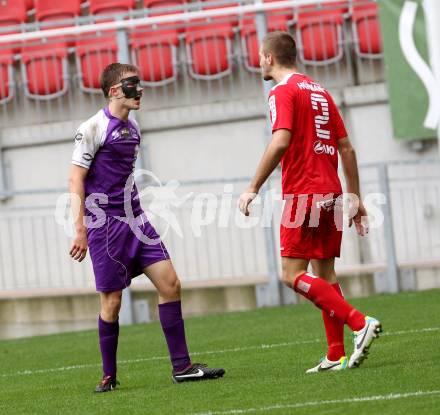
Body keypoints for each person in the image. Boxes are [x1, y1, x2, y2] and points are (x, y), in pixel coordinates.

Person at [68, 63, 225, 392]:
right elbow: (75, 179)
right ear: (114, 91)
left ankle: (182, 367)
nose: (138, 91)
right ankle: (109, 376)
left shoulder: (134, 128)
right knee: (112, 303)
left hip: (137, 221)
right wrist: (80, 228)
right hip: (106, 227)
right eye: (131, 85)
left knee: (171, 284)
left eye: (138, 84)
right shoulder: (92, 128)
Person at [239, 31, 382, 373]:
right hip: (331, 190)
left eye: (261, 56)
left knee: (291, 274)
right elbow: (347, 148)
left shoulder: (281, 91)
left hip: (304, 192)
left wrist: (252, 187)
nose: (259, 61)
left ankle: (359, 322)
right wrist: (355, 196)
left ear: (270, 58)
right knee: (325, 273)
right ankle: (335, 355)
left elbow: (280, 141)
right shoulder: (320, 91)